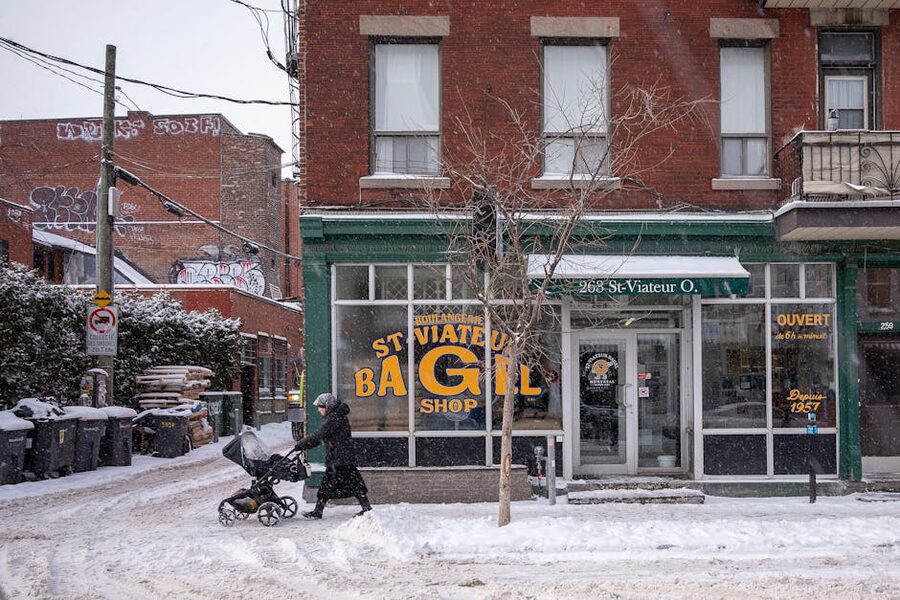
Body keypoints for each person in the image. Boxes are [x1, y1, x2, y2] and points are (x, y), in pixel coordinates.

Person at [295, 392, 372, 519]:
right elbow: (320, 437)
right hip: (342, 457)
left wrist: (301, 444)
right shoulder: (337, 416)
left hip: (339, 458)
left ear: (327, 406)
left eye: (320, 407)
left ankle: (318, 511)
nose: (318, 410)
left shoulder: (334, 418)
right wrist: (306, 444)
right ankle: (366, 507)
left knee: (329, 485)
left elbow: (319, 434)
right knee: (354, 483)